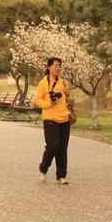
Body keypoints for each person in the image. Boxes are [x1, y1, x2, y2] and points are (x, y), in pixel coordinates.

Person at [34, 57, 74, 185]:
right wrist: (49, 103)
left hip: (64, 119)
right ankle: (43, 169)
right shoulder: (43, 83)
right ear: (49, 67)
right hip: (50, 119)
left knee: (62, 148)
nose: (58, 68)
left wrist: (67, 94)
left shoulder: (63, 82)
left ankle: (61, 176)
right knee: (53, 146)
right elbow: (37, 100)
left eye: (59, 66)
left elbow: (67, 100)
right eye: (55, 65)